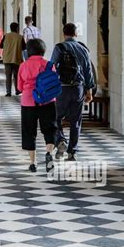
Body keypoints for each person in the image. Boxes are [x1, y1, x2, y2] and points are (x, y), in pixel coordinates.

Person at [50, 23, 95, 161]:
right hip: (78, 88)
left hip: (62, 88)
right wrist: (90, 90)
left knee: (55, 118)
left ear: (64, 34)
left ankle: (61, 141)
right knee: (76, 121)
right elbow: (88, 71)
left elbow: (51, 67)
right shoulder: (83, 48)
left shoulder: (59, 47)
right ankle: (73, 152)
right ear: (76, 34)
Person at [17, 38, 57, 173]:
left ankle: (33, 163)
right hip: (47, 100)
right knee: (50, 128)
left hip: (28, 101)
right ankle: (49, 153)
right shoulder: (49, 64)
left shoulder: (23, 65)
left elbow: (19, 86)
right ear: (43, 50)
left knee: (29, 131)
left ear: (28, 51)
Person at [0, 22, 26, 96]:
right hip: (16, 58)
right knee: (16, 76)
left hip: (7, 58)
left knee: (8, 76)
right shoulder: (20, 37)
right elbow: (24, 47)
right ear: (17, 28)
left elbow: (1, 46)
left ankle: (8, 92)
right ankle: (17, 90)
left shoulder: (6, 36)